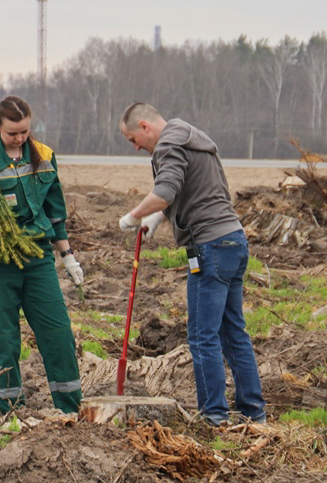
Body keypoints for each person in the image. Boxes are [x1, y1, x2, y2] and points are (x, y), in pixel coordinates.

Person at [118, 102, 265, 426]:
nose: (136, 147)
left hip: (210, 247)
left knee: (202, 336)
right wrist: (159, 217)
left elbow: (166, 190)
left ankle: (214, 416)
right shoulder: (193, 137)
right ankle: (254, 414)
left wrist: (135, 214)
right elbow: (192, 190)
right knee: (232, 332)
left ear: (144, 127)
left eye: (133, 140)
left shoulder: (168, 145)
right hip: (233, 241)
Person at [0, 95, 83, 414]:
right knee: (5, 341)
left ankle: (70, 410)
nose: (20, 138)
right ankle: (13, 413)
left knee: (58, 333)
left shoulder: (45, 156)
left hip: (37, 259)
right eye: (13, 133)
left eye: (25, 131)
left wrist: (67, 256)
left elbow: (54, 213)